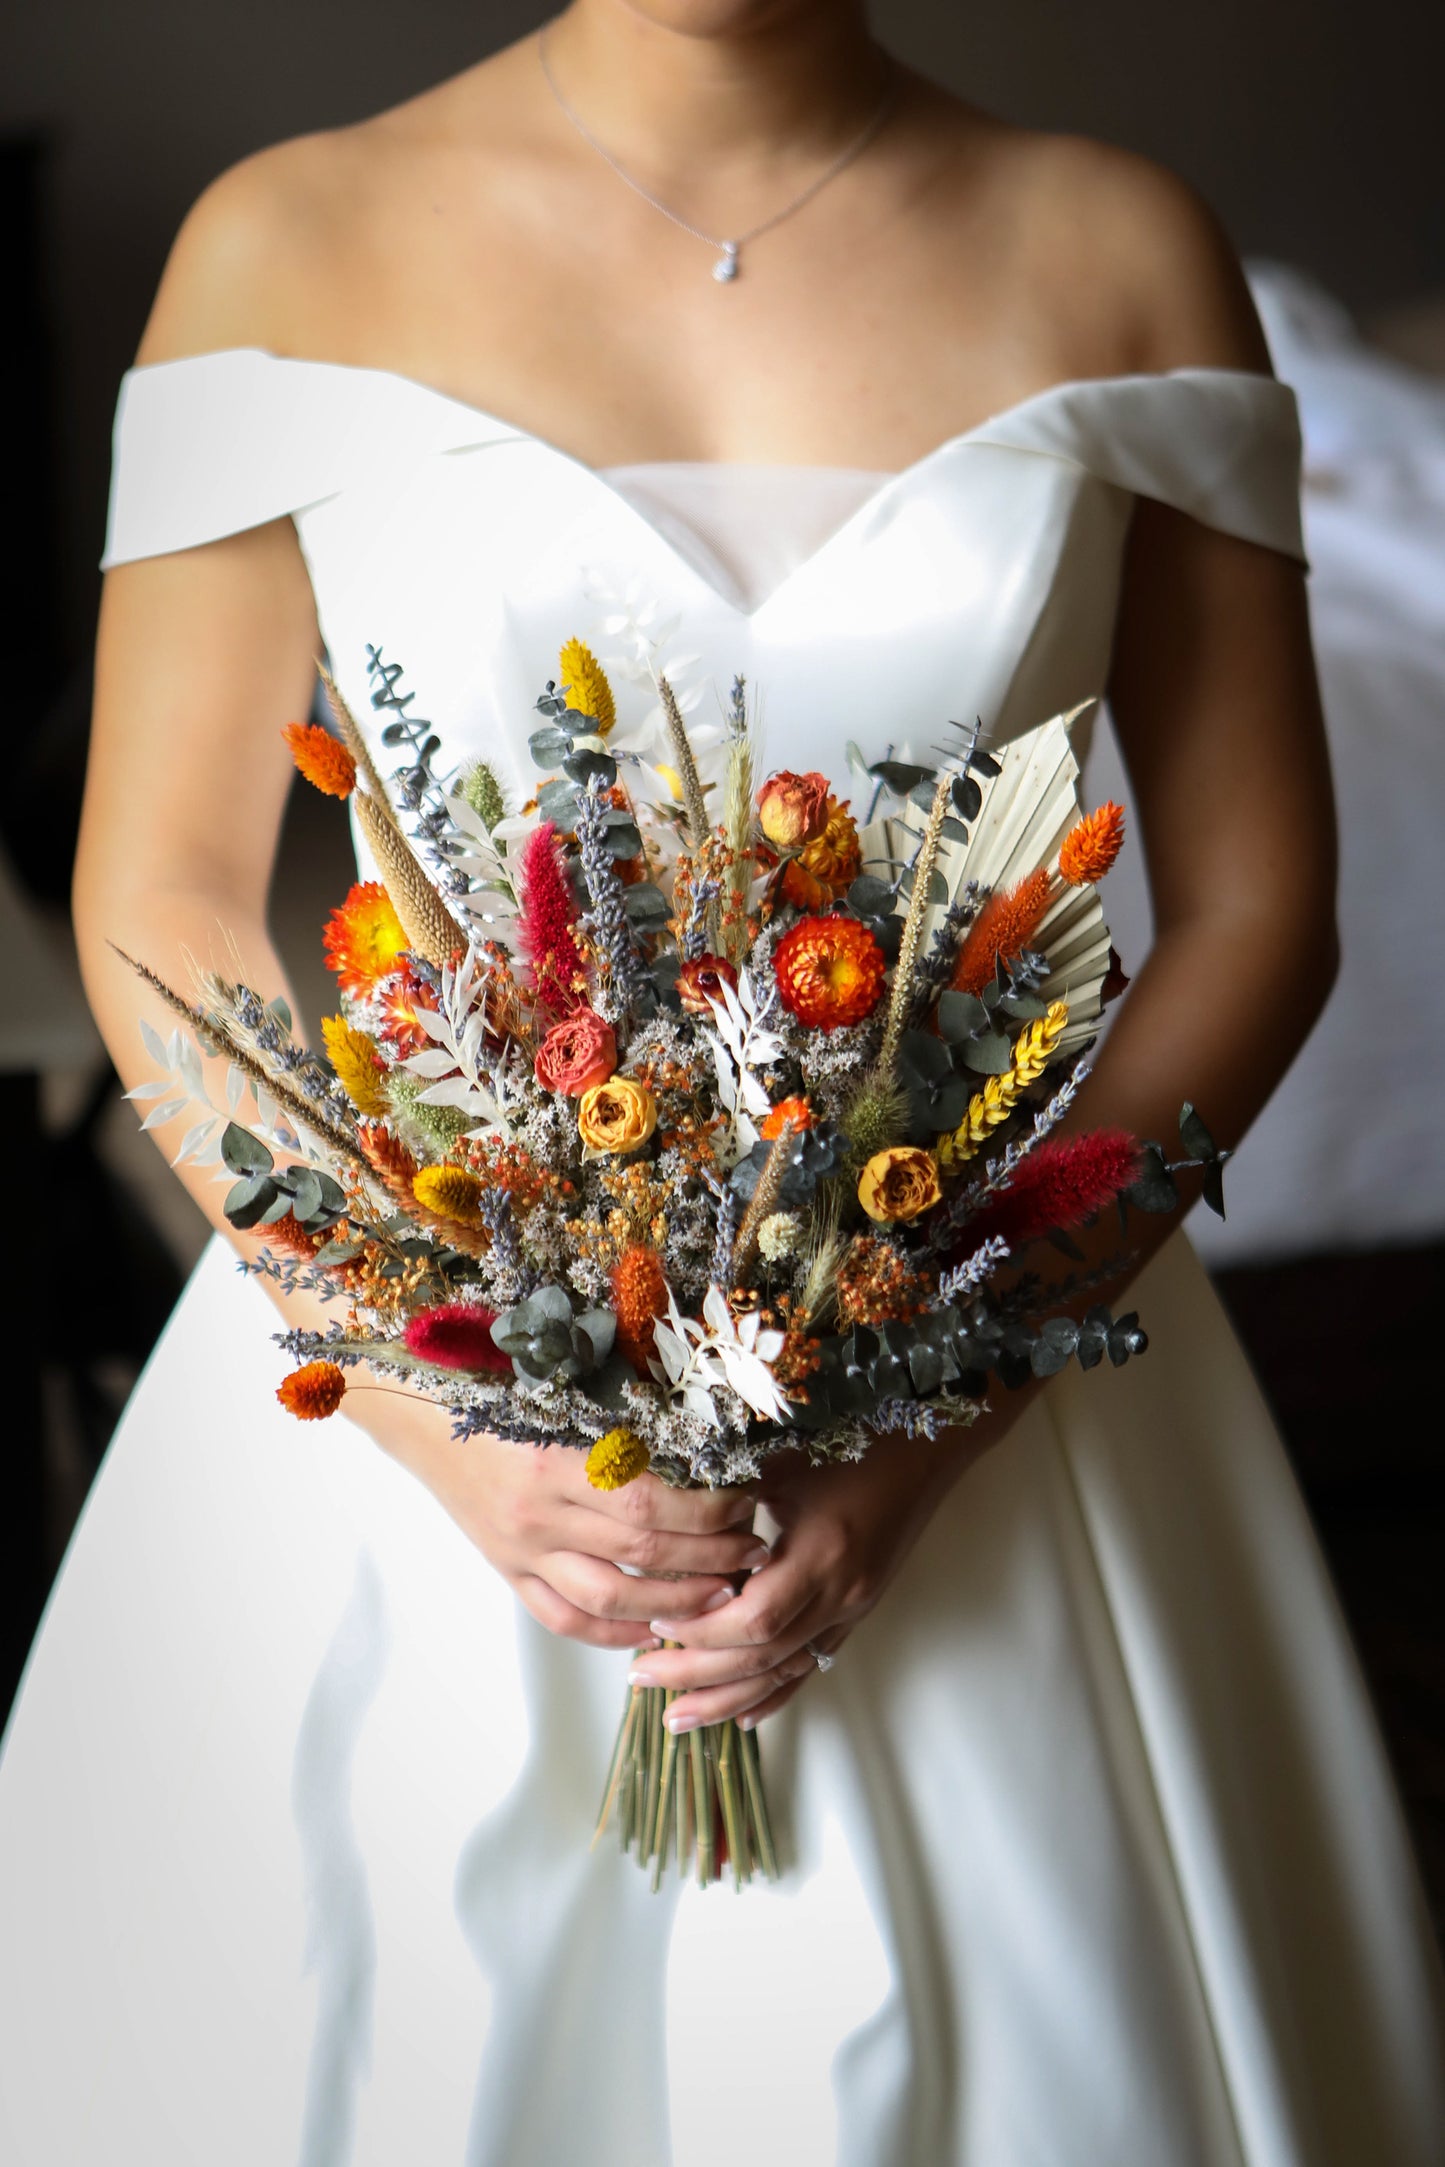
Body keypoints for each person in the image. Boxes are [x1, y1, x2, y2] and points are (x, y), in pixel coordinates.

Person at [2, 3, 1442, 2159]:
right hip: (428, 1416)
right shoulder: (282, 243)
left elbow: (1256, 910)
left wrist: (934, 1423)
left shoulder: (1120, 247)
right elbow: (163, 904)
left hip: (995, 1403)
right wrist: (450, 1421)